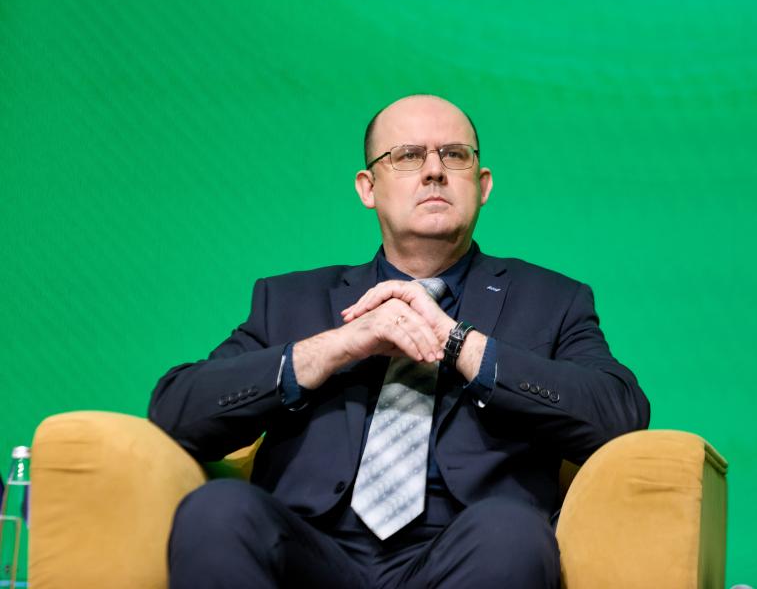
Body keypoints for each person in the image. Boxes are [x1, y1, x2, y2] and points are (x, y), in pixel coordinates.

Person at [149, 94, 650, 588]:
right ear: (368, 187)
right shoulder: (288, 300)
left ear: (482, 185)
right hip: (309, 551)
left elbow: (620, 417)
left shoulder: (551, 300)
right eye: (408, 156)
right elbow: (175, 413)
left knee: (512, 533)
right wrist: (335, 347)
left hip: (467, 553)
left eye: (454, 155)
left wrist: (458, 342)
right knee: (218, 510)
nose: (434, 171)